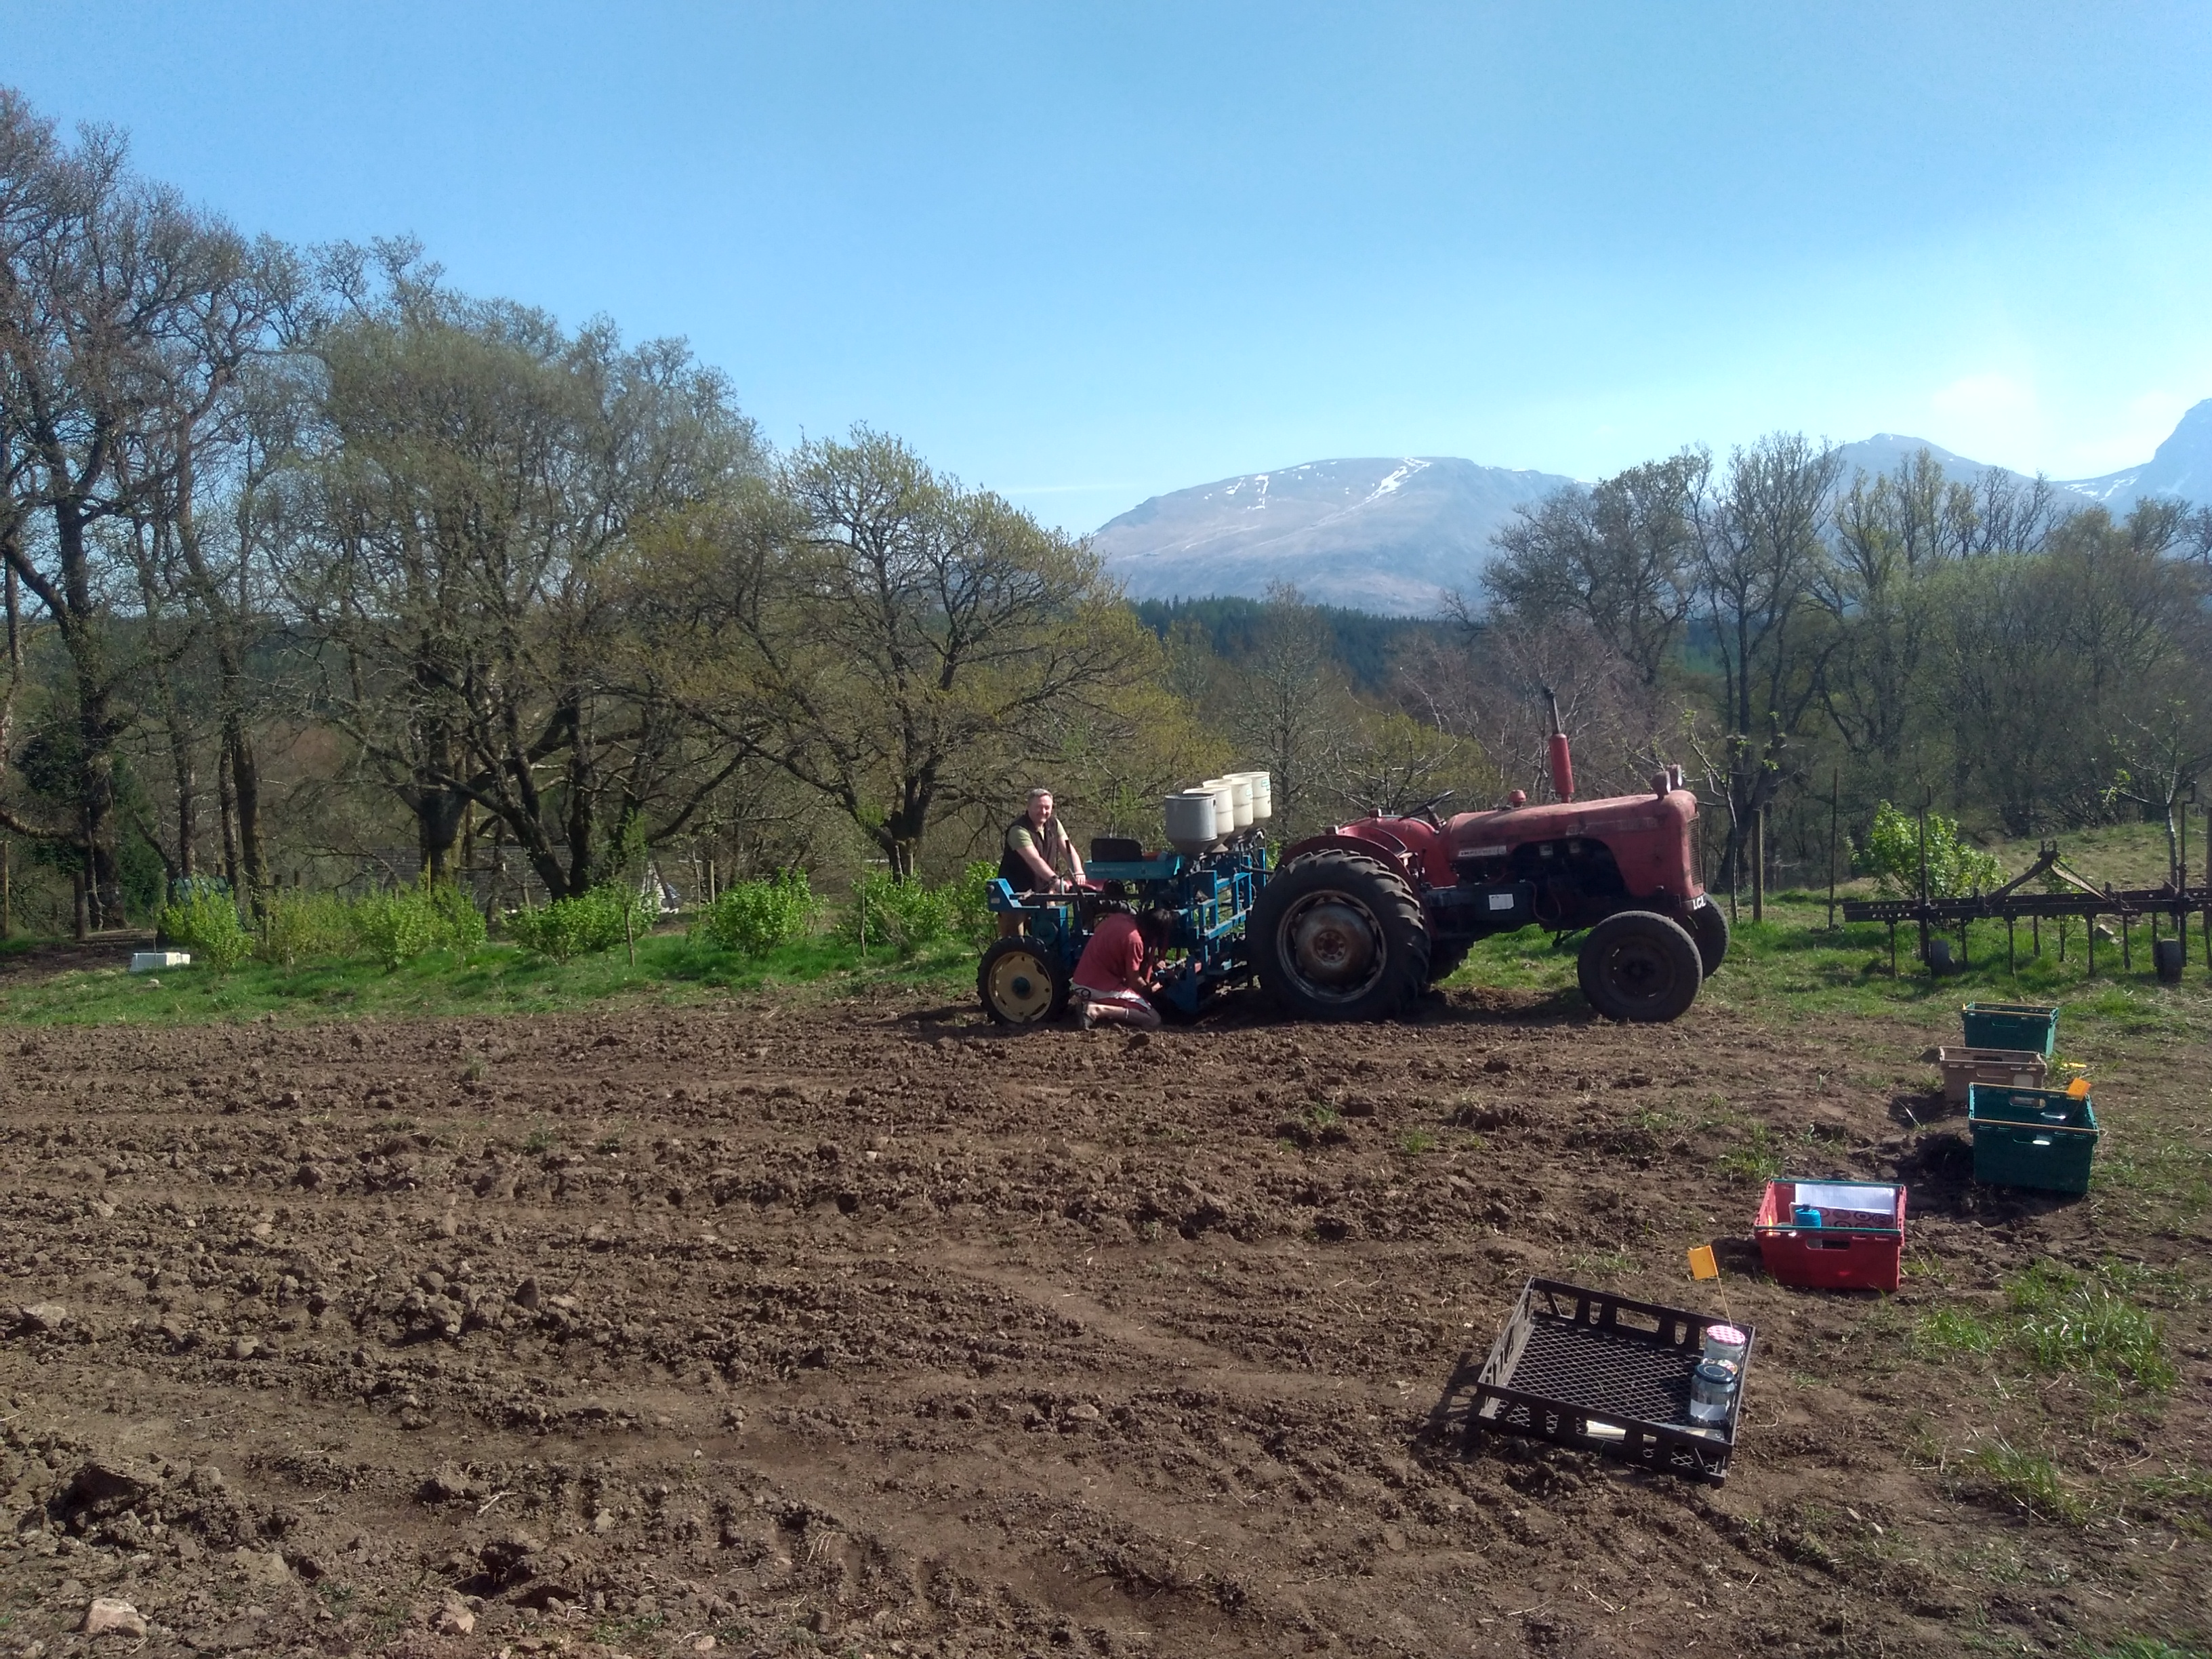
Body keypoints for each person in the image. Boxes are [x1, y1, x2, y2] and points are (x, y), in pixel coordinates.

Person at [997, 787, 1086, 935]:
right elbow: (1034, 859)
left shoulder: (1054, 824)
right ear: (1028, 807)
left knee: (1054, 936)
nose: (1043, 811)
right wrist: (1055, 881)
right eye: (1038, 807)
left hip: (1044, 892)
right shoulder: (1018, 830)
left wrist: (1078, 872)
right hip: (1016, 895)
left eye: (1047, 807)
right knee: (1016, 941)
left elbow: (1068, 850)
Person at [1070, 907, 1172, 1031]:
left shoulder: (1118, 918)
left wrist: (1153, 964)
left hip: (1081, 980)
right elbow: (1134, 981)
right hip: (1097, 987)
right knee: (1153, 1018)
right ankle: (1096, 1010)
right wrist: (1151, 989)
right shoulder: (1134, 941)